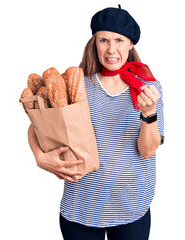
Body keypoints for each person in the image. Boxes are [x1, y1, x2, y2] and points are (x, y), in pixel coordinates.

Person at [28, 5, 164, 240]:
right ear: (94, 43)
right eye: (104, 40)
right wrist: (40, 157)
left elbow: (148, 150)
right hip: (80, 207)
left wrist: (148, 112)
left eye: (119, 40)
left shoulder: (149, 88)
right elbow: (39, 124)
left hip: (132, 206)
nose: (112, 49)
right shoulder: (77, 85)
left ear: (131, 44)